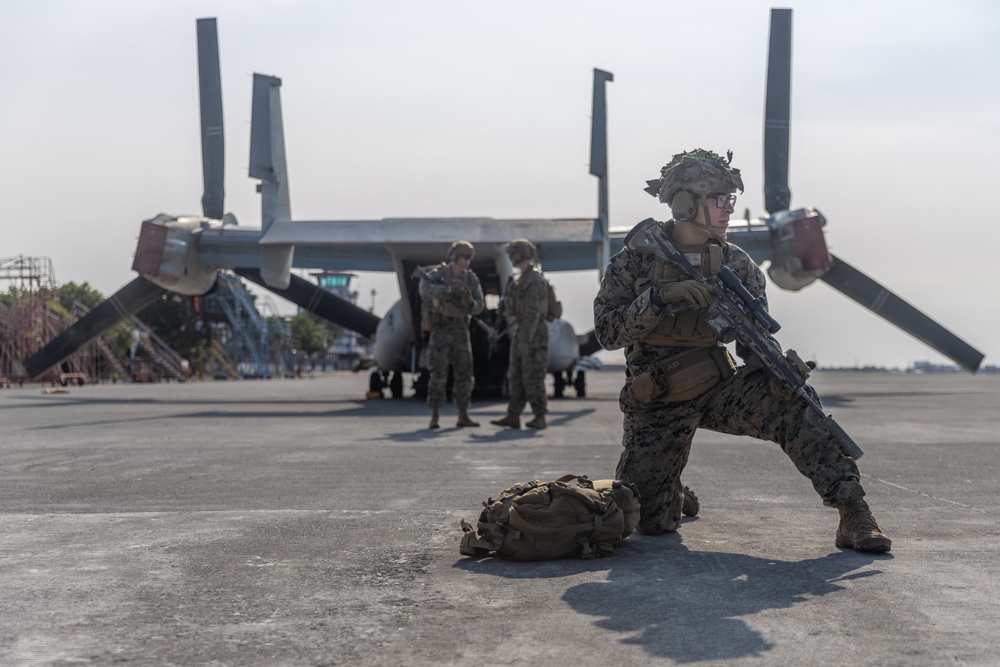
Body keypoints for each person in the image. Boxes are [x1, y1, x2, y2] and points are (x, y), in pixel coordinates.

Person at [593, 148, 891, 552]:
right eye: (720, 199)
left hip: (718, 387)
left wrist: (774, 366)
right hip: (659, 398)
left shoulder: (738, 265)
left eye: (731, 199)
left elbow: (752, 344)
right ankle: (670, 493)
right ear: (685, 204)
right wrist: (660, 299)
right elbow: (608, 333)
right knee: (649, 522)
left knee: (795, 400)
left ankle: (853, 512)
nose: (729, 208)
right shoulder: (635, 261)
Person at [418, 240, 485, 429]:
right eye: (464, 257)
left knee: (465, 374)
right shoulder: (438, 274)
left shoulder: (471, 280)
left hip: (461, 330)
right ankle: (435, 415)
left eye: (469, 258)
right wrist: (446, 290)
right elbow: (424, 290)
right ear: (455, 257)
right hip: (441, 329)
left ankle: (463, 414)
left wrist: (468, 299)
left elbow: (480, 306)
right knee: (438, 374)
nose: (467, 262)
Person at [491, 239, 550, 430]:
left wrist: (525, 339)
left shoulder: (533, 280)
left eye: (512, 255)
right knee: (515, 375)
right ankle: (514, 414)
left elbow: (533, 313)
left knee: (533, 375)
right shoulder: (520, 279)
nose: (510, 259)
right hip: (521, 333)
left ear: (518, 255)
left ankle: (540, 416)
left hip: (533, 336)